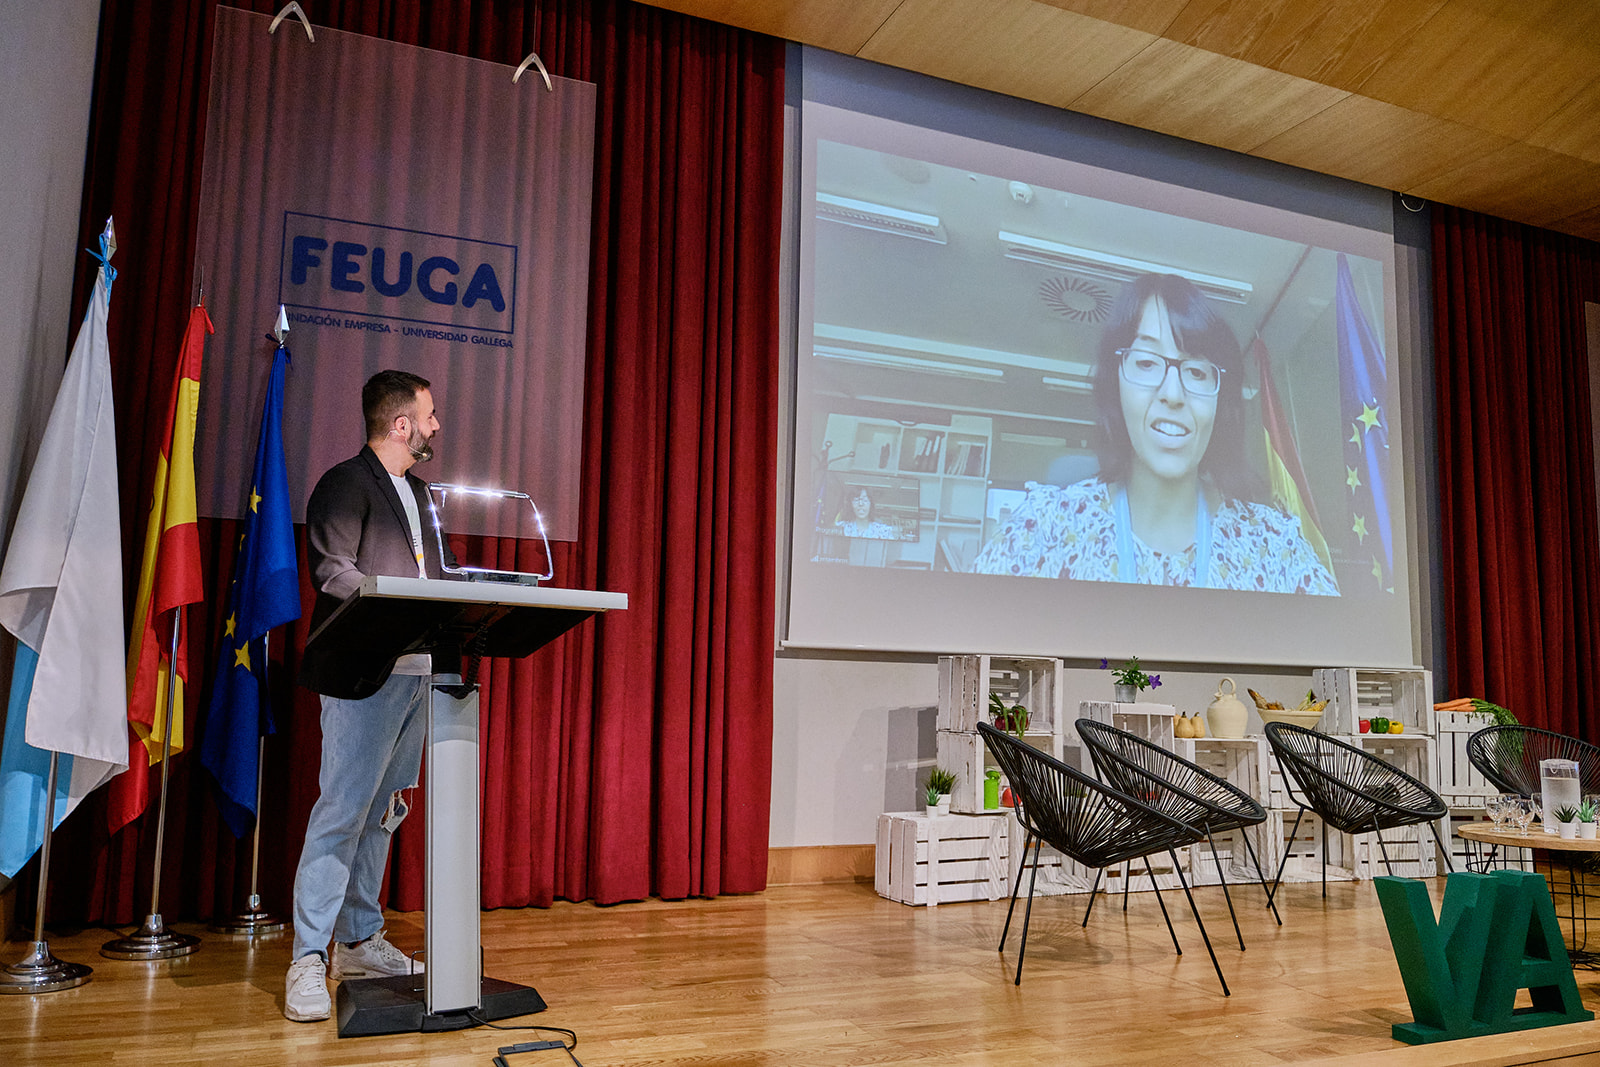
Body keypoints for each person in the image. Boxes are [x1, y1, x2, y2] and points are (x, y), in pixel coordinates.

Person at [972, 273, 1338, 594]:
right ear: (1115, 383)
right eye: (1147, 362)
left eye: (1197, 371)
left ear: (1219, 402)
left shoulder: (1276, 547)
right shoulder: (1041, 531)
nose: (1173, 394)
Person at [284, 370, 448, 1023]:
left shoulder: (424, 494)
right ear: (401, 424)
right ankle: (307, 955)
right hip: (362, 674)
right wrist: (406, 608)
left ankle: (356, 942)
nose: (436, 426)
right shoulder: (344, 483)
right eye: (429, 416)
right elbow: (334, 573)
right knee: (343, 812)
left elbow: (435, 576)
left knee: (384, 811)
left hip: (416, 676)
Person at [832, 486, 900, 540]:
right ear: (850, 504)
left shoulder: (883, 531)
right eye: (856, 500)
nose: (861, 504)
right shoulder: (840, 528)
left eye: (865, 500)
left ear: (871, 504)